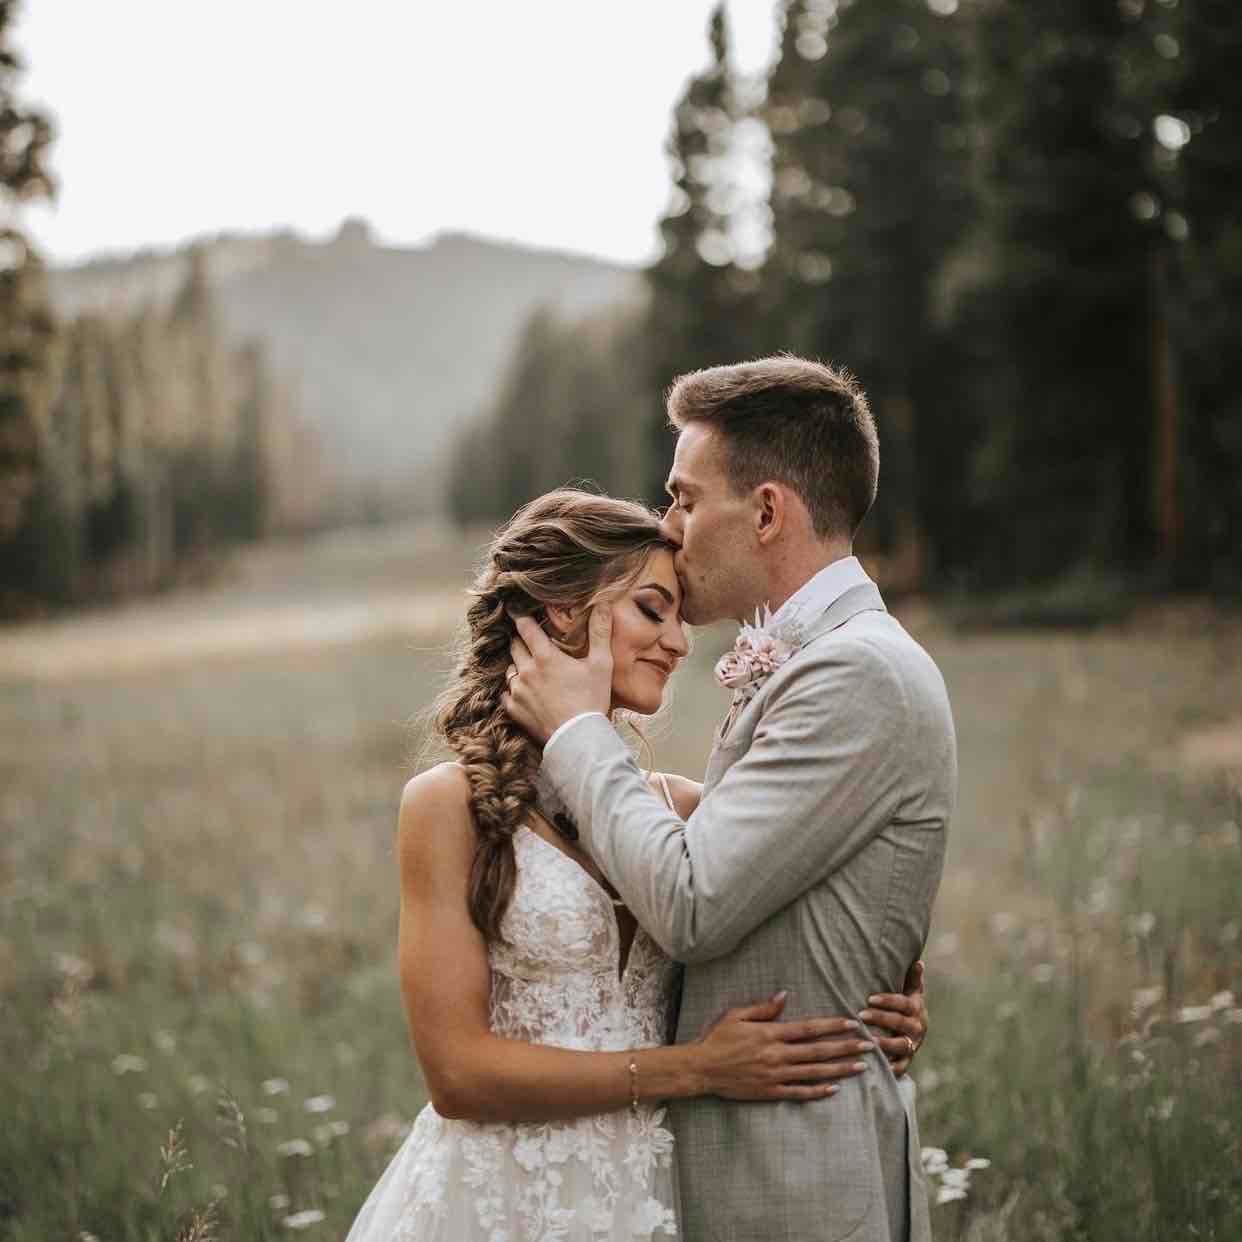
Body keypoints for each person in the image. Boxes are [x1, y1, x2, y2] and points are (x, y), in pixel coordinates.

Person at [345, 488, 928, 1241]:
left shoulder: (682, 812)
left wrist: (885, 1001)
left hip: (653, 1198)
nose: (680, 642)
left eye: (680, 619)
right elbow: (457, 1076)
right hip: (501, 1201)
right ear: (561, 611)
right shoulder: (445, 808)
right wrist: (695, 1070)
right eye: (653, 610)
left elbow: (809, 916)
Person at [505, 357, 956, 1242]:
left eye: (683, 498)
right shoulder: (829, 659)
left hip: (798, 1190)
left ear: (764, 512)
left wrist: (574, 731)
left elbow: (694, 902)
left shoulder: (854, 672)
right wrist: (859, 966)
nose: (669, 530)